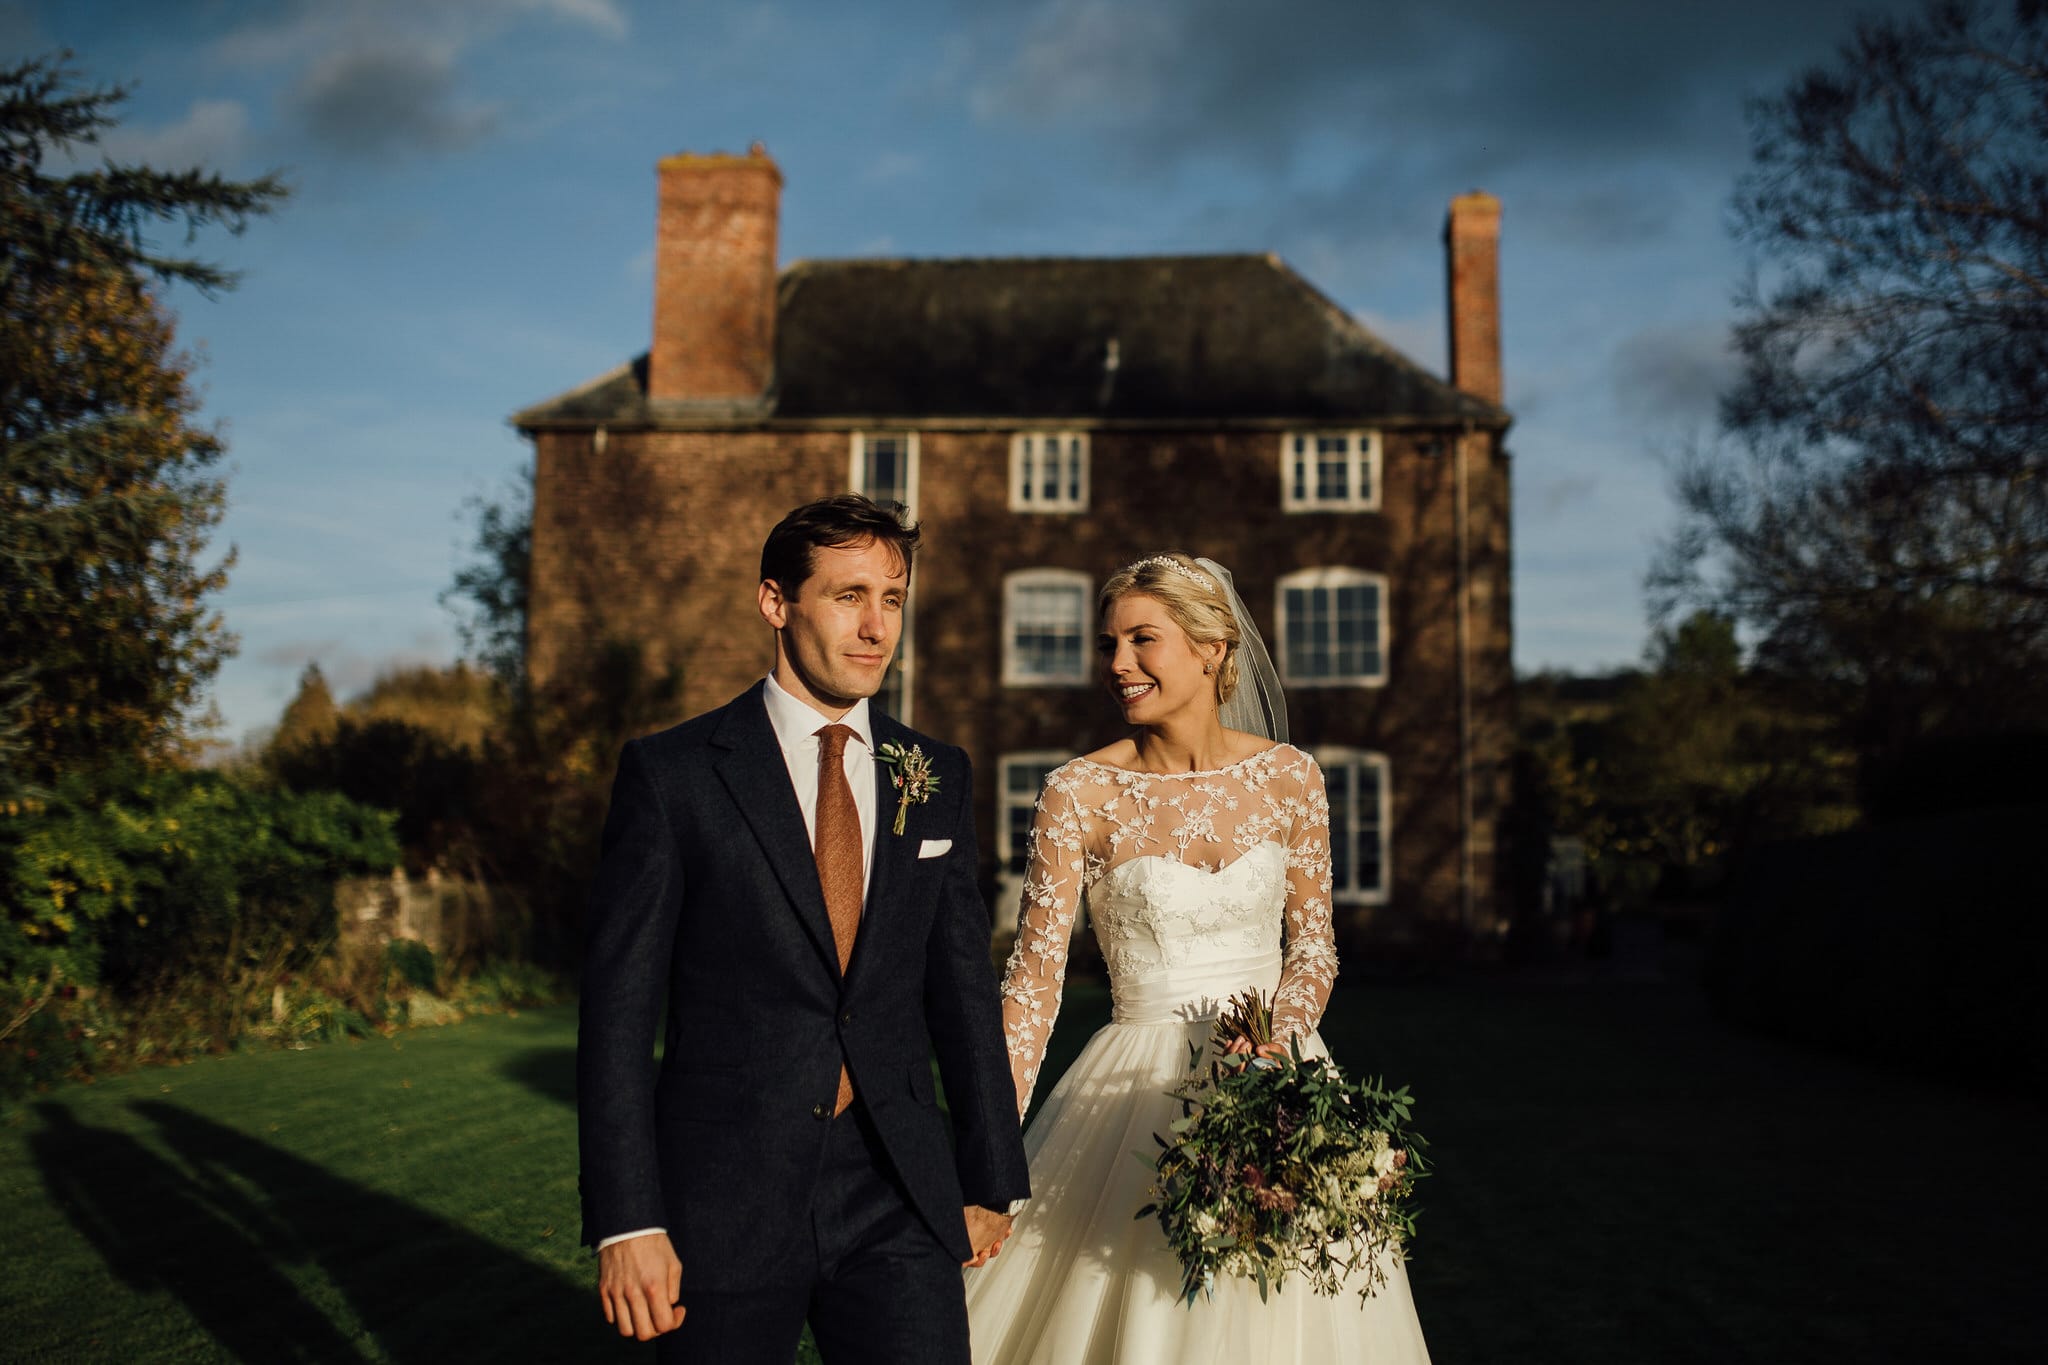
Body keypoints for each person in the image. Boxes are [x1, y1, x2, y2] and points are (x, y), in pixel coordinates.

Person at [577, 494, 1031, 1363]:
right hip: (722, 1198)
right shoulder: (673, 776)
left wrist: (987, 1175)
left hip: (897, 1188)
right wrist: (628, 1218)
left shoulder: (934, 774)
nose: (876, 627)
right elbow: (618, 1017)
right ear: (775, 602)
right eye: (847, 595)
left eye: (892, 599)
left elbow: (963, 988)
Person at [963, 552, 1432, 1364]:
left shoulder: (1291, 777)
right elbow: (1031, 992)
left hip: (1282, 1077)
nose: (1117, 664)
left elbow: (1313, 945)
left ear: (1213, 647)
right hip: (1129, 1092)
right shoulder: (1077, 793)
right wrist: (986, 1160)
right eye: (1109, 644)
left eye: (1143, 639)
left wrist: (1279, 1044)